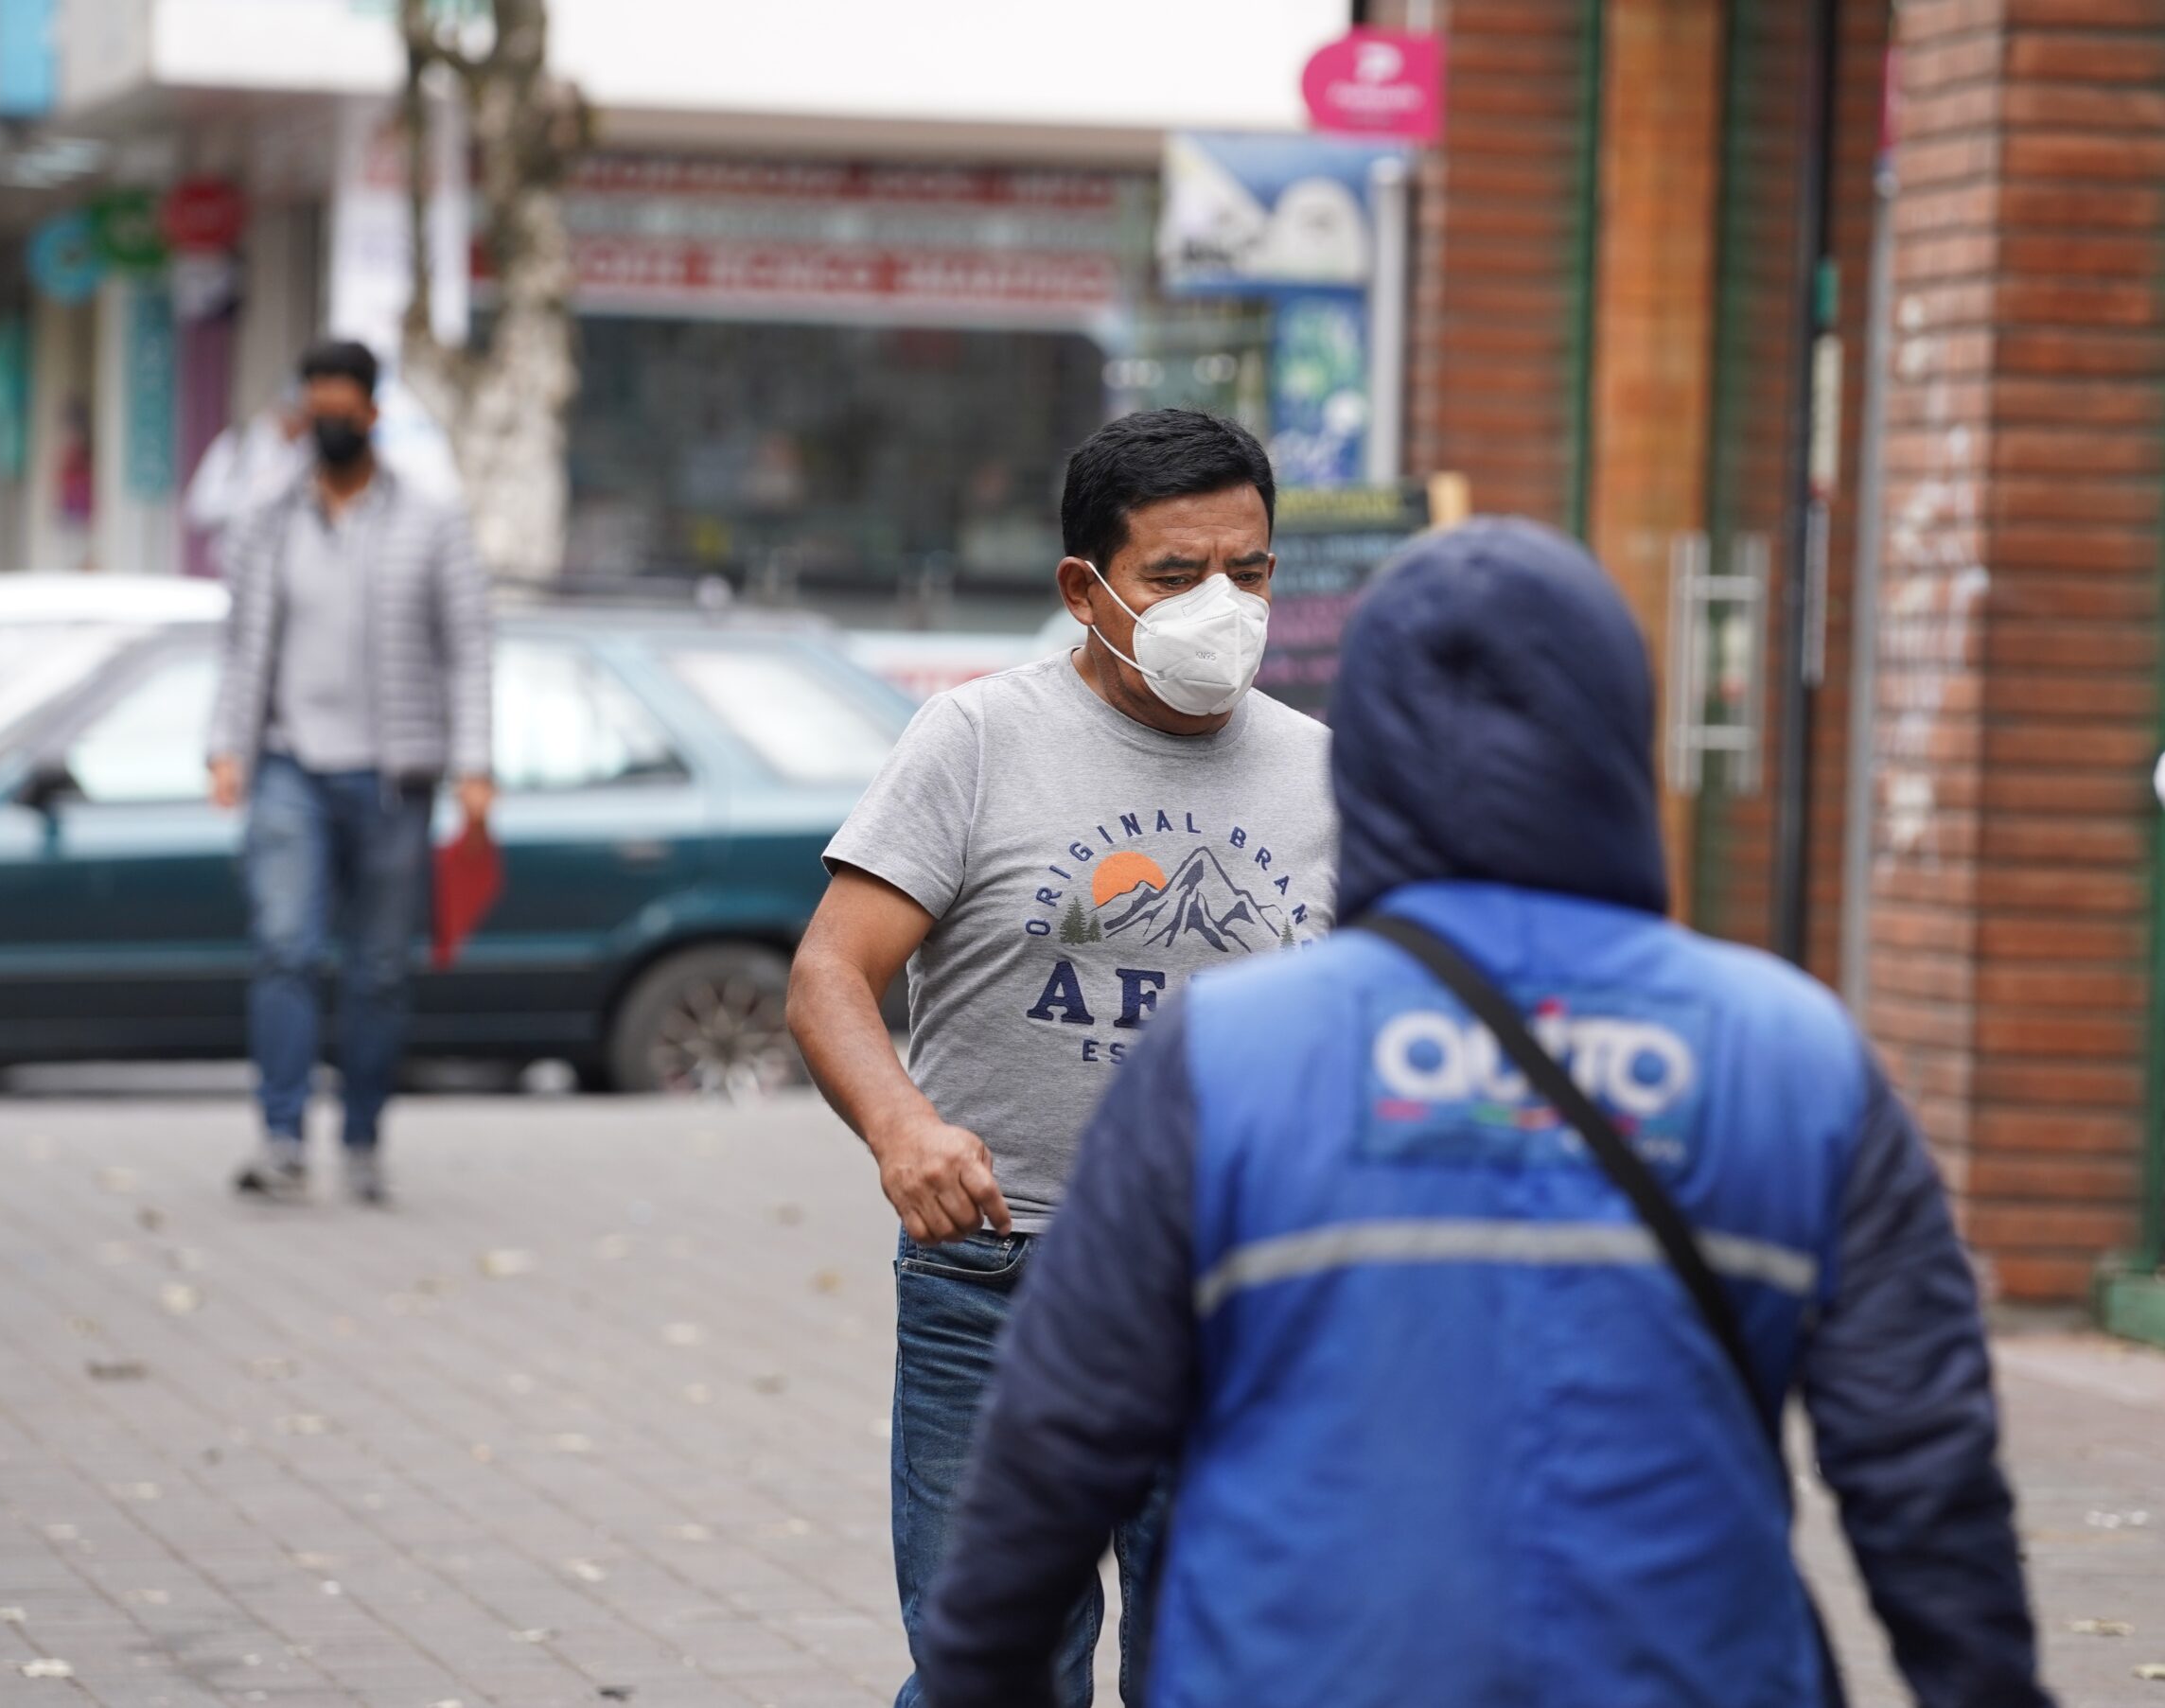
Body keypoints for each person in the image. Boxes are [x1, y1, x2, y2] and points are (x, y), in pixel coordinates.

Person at [915, 518, 2053, 1708]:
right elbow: (1924, 1475)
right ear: (1620, 729)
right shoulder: (1791, 1055)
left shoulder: (1227, 1058)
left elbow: (1053, 1449)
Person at [786, 410, 1338, 1707]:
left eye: (1248, 572)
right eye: (1176, 574)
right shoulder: (975, 742)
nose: (1223, 603)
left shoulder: (1330, 776)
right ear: (1083, 589)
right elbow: (828, 975)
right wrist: (901, 1129)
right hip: (1003, 1276)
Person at [207, 338, 494, 1206]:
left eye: (343, 405)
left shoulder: (431, 518)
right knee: (285, 949)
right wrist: (228, 744)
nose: (326, 421)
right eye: (314, 405)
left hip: (392, 779)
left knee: (377, 969)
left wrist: (476, 764)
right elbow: (242, 642)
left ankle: (363, 1136)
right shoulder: (267, 518)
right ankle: (283, 1137)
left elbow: (468, 646)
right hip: (291, 765)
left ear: (371, 413)